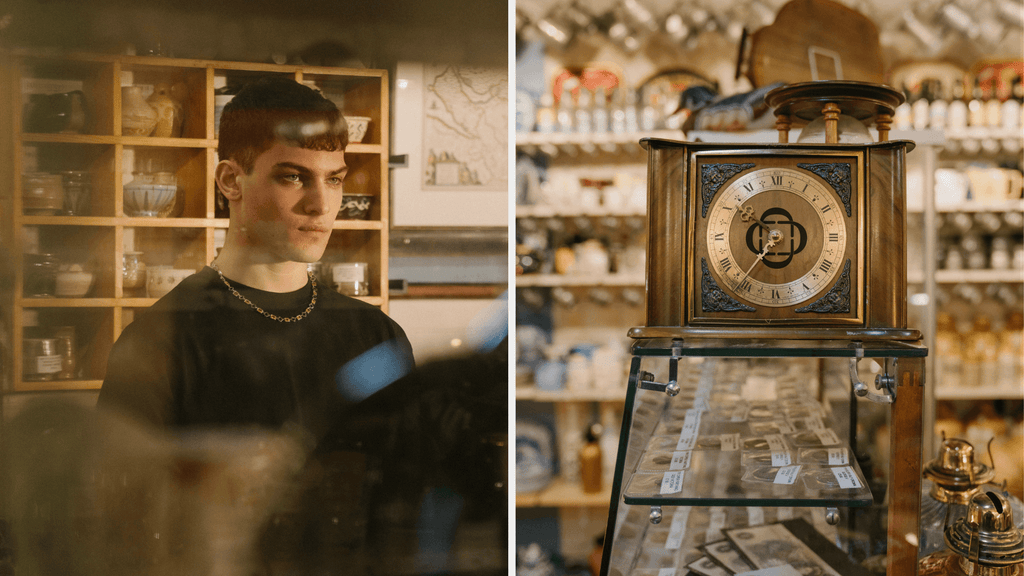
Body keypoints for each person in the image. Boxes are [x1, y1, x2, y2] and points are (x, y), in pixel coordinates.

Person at [98, 75, 414, 445]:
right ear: (231, 180)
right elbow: (123, 497)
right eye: (294, 177)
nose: (322, 205)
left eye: (333, 180)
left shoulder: (376, 336)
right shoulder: (161, 342)